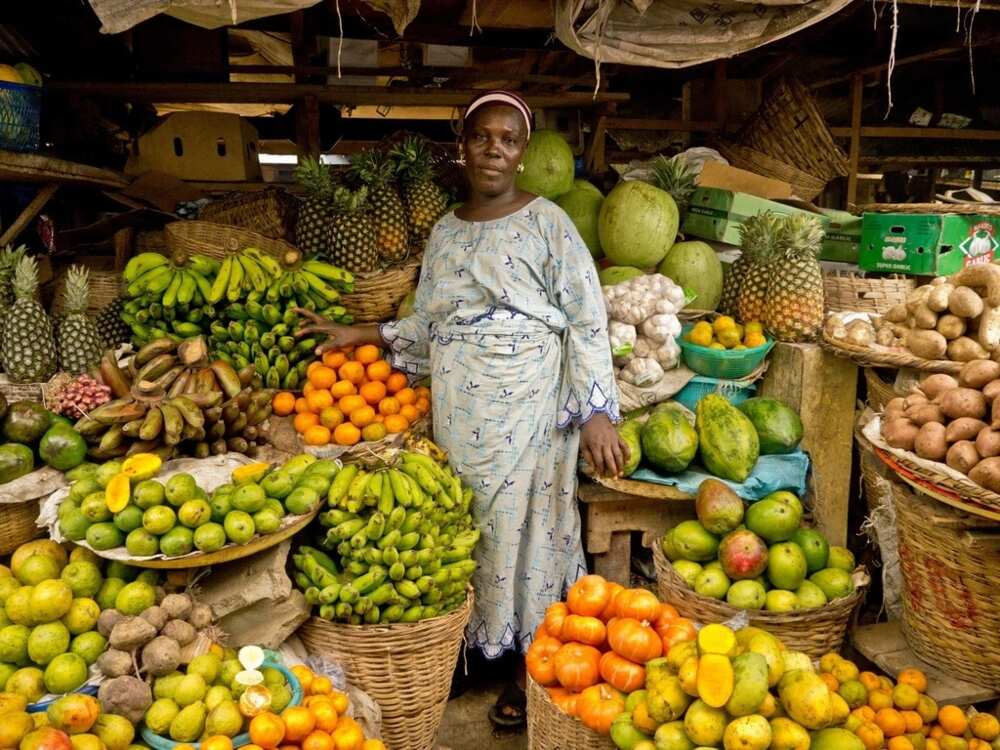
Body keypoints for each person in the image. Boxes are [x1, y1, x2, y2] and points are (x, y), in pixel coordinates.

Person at [295, 89, 628, 726]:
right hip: (459, 403)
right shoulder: (446, 229)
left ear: (524, 153)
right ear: (463, 145)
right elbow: (427, 321)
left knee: (520, 526)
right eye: (482, 137)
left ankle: (531, 663)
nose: (494, 150)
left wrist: (595, 413)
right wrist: (362, 335)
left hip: (527, 400)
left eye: (508, 139)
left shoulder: (549, 223)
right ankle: (470, 648)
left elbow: (588, 317)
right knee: (463, 522)